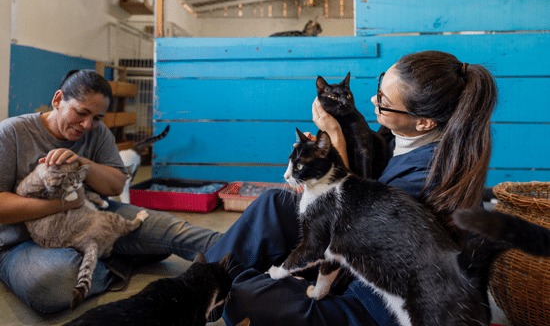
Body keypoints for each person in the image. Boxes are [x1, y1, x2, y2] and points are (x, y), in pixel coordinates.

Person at [204, 50, 498, 325]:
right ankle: (203, 283)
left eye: (383, 99)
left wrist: (334, 136)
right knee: (274, 204)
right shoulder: (401, 137)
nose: (372, 99)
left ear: (423, 122)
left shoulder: (425, 176)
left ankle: (218, 282)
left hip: (372, 305)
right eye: (380, 84)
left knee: (244, 292)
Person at [0, 69, 223, 313]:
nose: (87, 125)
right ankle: (124, 259)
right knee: (53, 283)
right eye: (81, 112)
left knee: (180, 232)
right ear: (57, 100)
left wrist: (83, 163)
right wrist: (64, 204)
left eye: (97, 118)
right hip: (24, 243)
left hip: (90, 219)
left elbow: (117, 184)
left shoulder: (97, 132)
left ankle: (261, 258)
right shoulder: (11, 133)